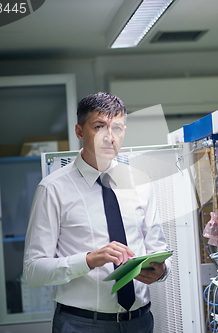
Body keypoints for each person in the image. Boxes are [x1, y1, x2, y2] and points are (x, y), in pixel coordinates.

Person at [23, 92, 170, 333]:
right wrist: (89, 260)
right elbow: (33, 271)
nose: (109, 138)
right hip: (81, 324)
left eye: (118, 128)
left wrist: (162, 270)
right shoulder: (53, 189)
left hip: (140, 322)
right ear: (80, 132)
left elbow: (158, 249)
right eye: (99, 126)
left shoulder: (140, 182)